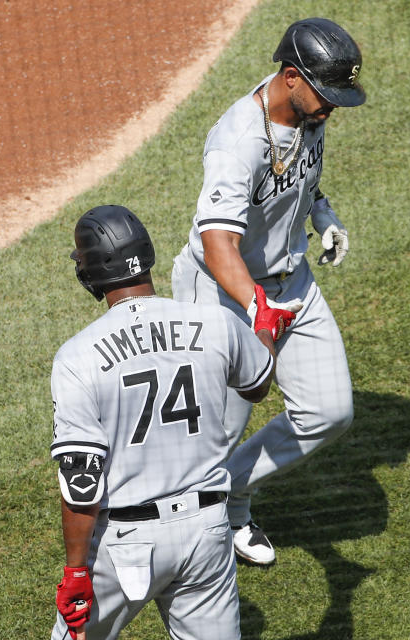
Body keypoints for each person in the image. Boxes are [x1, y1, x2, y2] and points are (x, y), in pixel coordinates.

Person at [170, 17, 366, 565]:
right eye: (327, 96)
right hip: (222, 294)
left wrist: (323, 215)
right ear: (291, 78)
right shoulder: (237, 142)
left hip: (292, 282)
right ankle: (195, 535)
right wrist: (257, 307)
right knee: (216, 430)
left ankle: (227, 492)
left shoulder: (308, 112)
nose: (332, 108)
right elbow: (218, 245)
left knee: (329, 412)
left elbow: (303, 175)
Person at [49, 204, 293, 639]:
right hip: (206, 532)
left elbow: (82, 486)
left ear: (91, 272)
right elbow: (257, 385)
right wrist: (265, 331)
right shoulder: (216, 322)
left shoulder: (77, 357)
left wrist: (75, 572)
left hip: (125, 543)